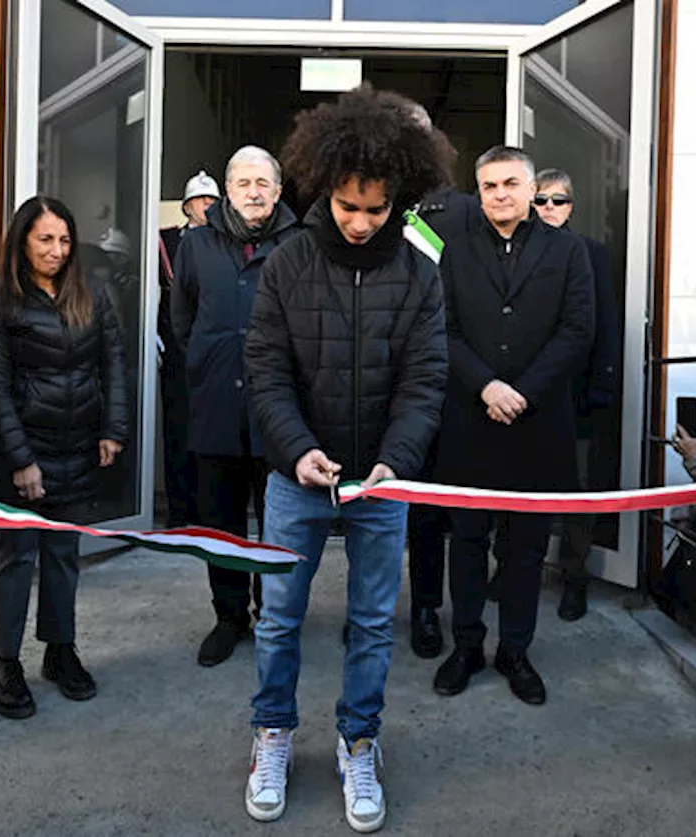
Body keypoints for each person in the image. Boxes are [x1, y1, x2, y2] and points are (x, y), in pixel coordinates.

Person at [243, 84, 452, 832]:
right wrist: (296, 449)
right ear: (324, 187)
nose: (361, 223)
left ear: (398, 197)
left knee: (370, 622)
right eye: (347, 205)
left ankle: (358, 741)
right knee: (278, 620)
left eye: (376, 208)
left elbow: (426, 377)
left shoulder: (420, 270)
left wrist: (397, 458)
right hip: (296, 478)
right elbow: (264, 366)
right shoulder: (289, 262)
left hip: (382, 481)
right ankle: (272, 735)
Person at [433, 145, 594, 707]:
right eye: (488, 186)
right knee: (469, 542)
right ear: (478, 193)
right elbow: (443, 329)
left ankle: (516, 651)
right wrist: (486, 386)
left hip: (538, 424)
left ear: (530, 189)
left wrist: (522, 391)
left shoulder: (568, 251)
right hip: (470, 423)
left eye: (509, 184)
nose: (499, 195)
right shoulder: (453, 250)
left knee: (525, 549)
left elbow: (577, 330)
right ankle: (467, 645)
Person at [0, 196, 130, 720]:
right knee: (14, 559)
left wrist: (113, 429)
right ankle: (5, 662)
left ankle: (60, 652)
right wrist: (20, 459)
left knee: (64, 556)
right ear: (21, 241)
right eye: (45, 239)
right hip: (17, 453)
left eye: (64, 240)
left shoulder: (93, 295)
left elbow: (114, 363)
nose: (57, 250)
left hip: (78, 448)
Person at [171, 148, 300, 667]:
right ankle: (229, 617)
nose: (253, 191)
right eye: (243, 182)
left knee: (280, 520)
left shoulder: (300, 243)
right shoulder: (196, 245)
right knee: (220, 521)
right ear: (227, 189)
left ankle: (274, 613)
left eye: (262, 183)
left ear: (278, 189)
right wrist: (209, 362)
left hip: (279, 409)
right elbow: (182, 320)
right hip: (217, 402)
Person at [401, 102, 480, 659]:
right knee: (411, 511)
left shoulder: (465, 211)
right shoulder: (366, 206)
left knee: (457, 509)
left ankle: (460, 617)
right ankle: (418, 607)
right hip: (390, 385)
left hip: (455, 383)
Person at [531, 167, 621, 621]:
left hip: (579, 392)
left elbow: (606, 322)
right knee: (520, 485)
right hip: (527, 396)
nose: (549, 208)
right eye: (541, 200)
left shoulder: (592, 253)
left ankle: (574, 577)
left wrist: (603, 383)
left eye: (558, 200)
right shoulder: (517, 250)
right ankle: (512, 569)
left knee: (578, 490)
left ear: (572, 207)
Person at [157, 170, 220, 528]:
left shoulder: (227, 242)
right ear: (187, 206)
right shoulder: (167, 242)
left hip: (213, 350)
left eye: (212, 201)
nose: (206, 207)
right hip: (178, 351)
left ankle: (210, 513)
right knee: (178, 430)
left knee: (210, 434)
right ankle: (181, 513)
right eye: (200, 200)